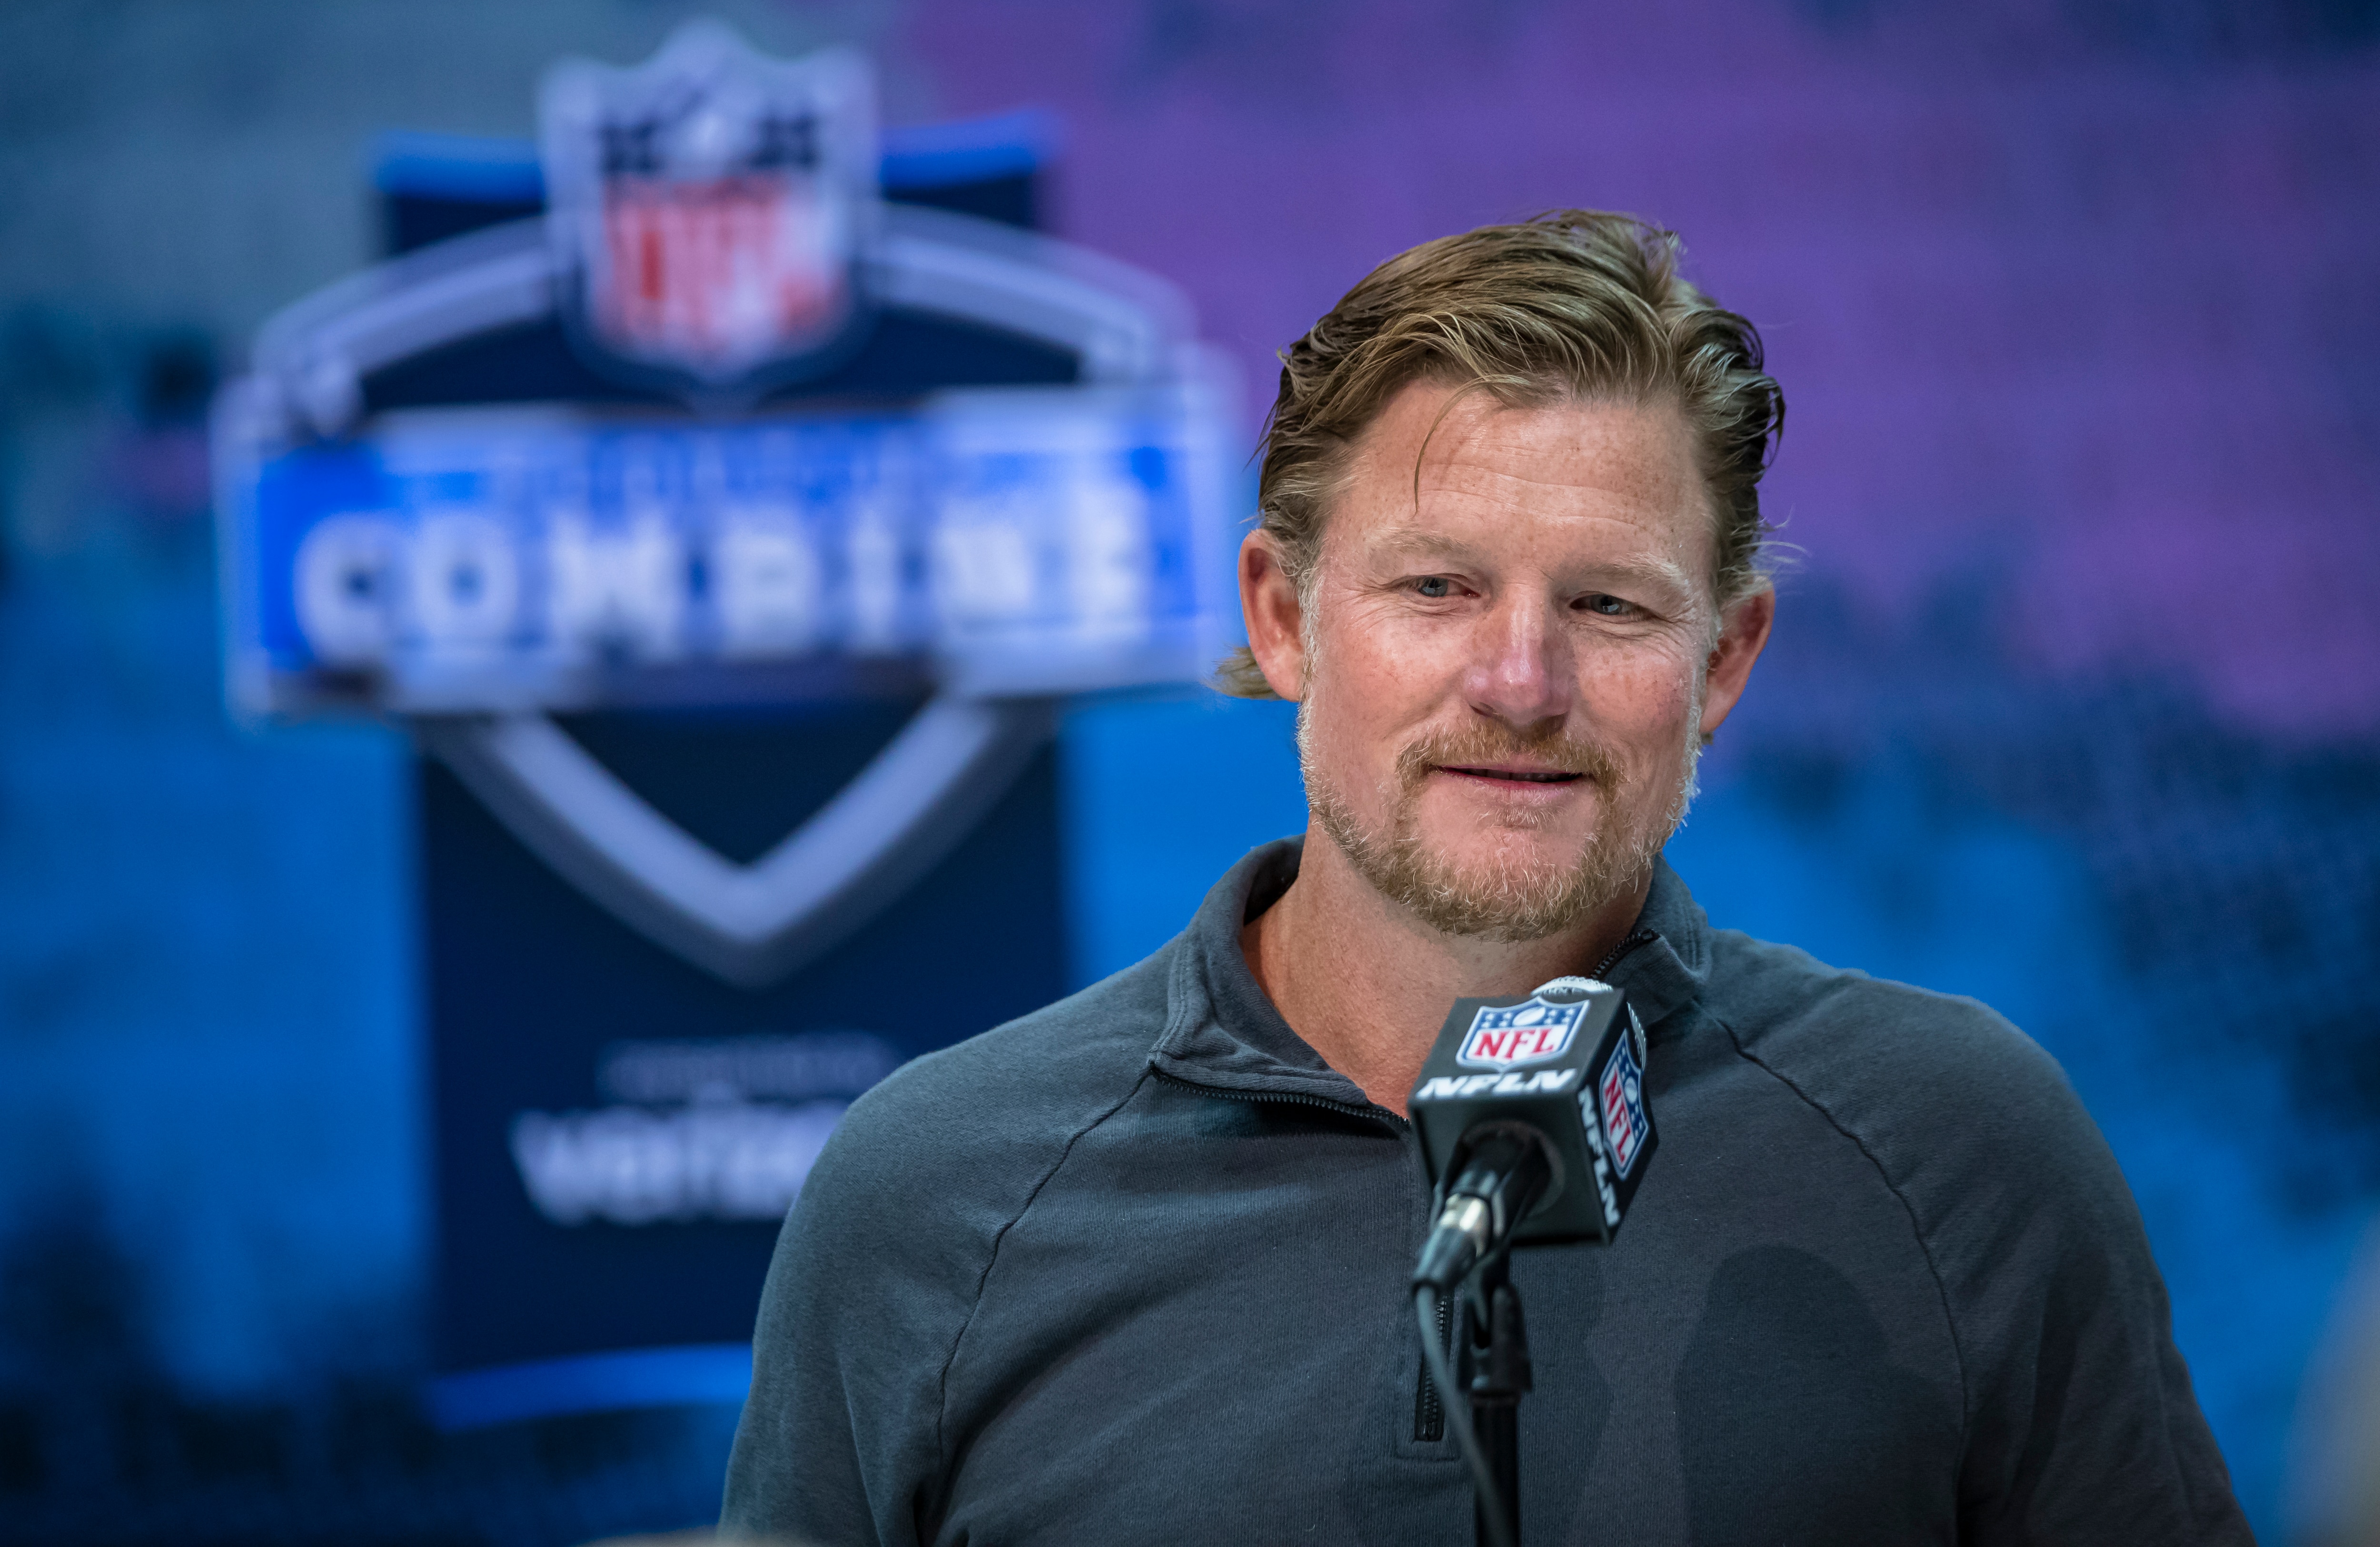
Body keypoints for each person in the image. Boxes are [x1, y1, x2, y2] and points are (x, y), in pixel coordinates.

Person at [721, 211, 2252, 1545]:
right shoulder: (936, 1197)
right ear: (1283, 618)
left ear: (1724, 661)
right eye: (1438, 587)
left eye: (1610, 605)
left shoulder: (1962, 1152)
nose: (1521, 683)